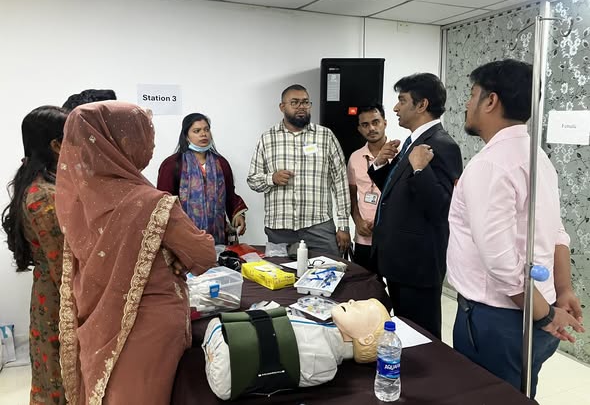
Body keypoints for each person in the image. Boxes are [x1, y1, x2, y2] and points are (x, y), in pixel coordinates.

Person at [55, 101, 217, 405]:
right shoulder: (149, 202)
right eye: (143, 135)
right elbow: (204, 255)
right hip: (148, 324)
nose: (150, 145)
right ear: (123, 143)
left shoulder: (78, 202)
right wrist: (174, 255)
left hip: (97, 318)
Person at [446, 59, 584, 397]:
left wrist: (545, 316)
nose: (467, 104)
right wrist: (563, 290)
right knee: (519, 393)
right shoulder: (537, 158)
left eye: (472, 94)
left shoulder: (490, 165)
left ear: (490, 101)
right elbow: (556, 232)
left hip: (500, 320)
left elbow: (501, 263)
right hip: (534, 308)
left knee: (488, 397)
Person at [368, 73, 463, 338]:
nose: (395, 108)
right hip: (399, 260)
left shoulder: (442, 145)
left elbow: (442, 207)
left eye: (402, 101)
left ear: (422, 105)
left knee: (422, 337)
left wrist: (421, 170)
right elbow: (400, 193)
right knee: (404, 331)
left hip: (417, 265)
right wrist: (380, 164)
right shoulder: (414, 142)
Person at [2, 106, 68, 405]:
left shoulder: (44, 182)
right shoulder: (43, 196)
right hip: (57, 297)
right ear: (56, 145)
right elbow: (62, 265)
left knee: (52, 369)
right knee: (57, 374)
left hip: (50, 290)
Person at [202, 298, 391, 399]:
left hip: (226, 359)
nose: (351, 301)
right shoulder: (322, 337)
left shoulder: (326, 362)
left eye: (360, 307)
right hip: (225, 343)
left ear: (366, 339)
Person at [247, 84, 350, 256]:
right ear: (282, 107)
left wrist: (344, 225)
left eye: (305, 102)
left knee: (330, 269)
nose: (301, 107)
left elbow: (340, 182)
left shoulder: (326, 136)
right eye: (294, 102)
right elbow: (252, 180)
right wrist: (272, 178)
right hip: (279, 229)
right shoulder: (267, 138)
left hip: (319, 226)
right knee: (281, 273)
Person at [157, 113, 247, 244]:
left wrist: (237, 214)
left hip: (217, 237)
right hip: (183, 238)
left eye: (206, 129)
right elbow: (164, 201)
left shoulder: (221, 163)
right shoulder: (172, 164)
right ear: (186, 136)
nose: (203, 134)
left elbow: (229, 195)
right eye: (197, 131)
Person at [347, 104, 387, 272]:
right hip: (364, 237)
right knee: (364, 282)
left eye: (375, 122)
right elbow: (351, 196)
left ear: (385, 123)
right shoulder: (355, 158)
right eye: (365, 125)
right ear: (359, 129)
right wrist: (357, 221)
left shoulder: (399, 154)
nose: (371, 128)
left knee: (394, 284)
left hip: (391, 236)